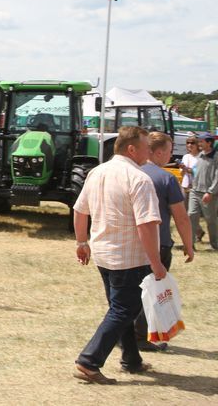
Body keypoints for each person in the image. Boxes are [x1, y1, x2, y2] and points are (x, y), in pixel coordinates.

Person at [72, 126, 165, 385]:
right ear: (132, 149)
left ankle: (131, 360)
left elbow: (80, 210)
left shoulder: (97, 172)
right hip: (130, 258)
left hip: (103, 254)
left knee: (121, 309)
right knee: (124, 310)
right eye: (146, 147)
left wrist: (82, 242)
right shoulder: (139, 179)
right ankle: (89, 361)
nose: (150, 151)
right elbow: (146, 225)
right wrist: (157, 264)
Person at [133, 131, 194, 351]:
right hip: (159, 243)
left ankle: (131, 337)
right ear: (159, 152)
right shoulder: (166, 178)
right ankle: (141, 338)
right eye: (169, 151)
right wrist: (189, 245)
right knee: (152, 293)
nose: (171, 154)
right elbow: (181, 217)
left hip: (132, 244)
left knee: (132, 292)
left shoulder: (132, 172)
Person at [188, 132, 218, 249]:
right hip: (195, 191)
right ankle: (190, 244)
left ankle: (215, 244)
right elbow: (197, 172)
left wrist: (211, 192)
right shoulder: (200, 155)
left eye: (201, 141)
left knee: (211, 219)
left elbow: (217, 177)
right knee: (191, 215)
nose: (199, 143)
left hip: (208, 193)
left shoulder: (215, 157)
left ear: (209, 143)